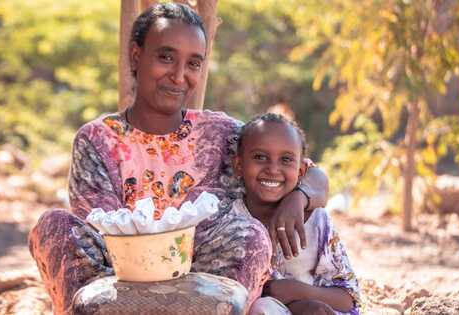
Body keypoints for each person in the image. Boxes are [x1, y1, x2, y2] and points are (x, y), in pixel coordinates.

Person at [28, 3, 329, 315]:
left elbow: (312, 174)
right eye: (166, 57)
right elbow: (103, 239)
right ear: (136, 56)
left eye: (193, 64)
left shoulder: (221, 133)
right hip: (116, 280)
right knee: (54, 225)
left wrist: (299, 197)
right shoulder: (97, 140)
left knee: (250, 236)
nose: (178, 75)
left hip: (201, 284)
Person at [232, 113, 360, 315]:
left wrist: (297, 292)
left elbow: (348, 300)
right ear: (238, 165)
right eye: (259, 157)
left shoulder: (318, 222)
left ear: (301, 171)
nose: (273, 169)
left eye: (286, 159)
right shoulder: (229, 221)